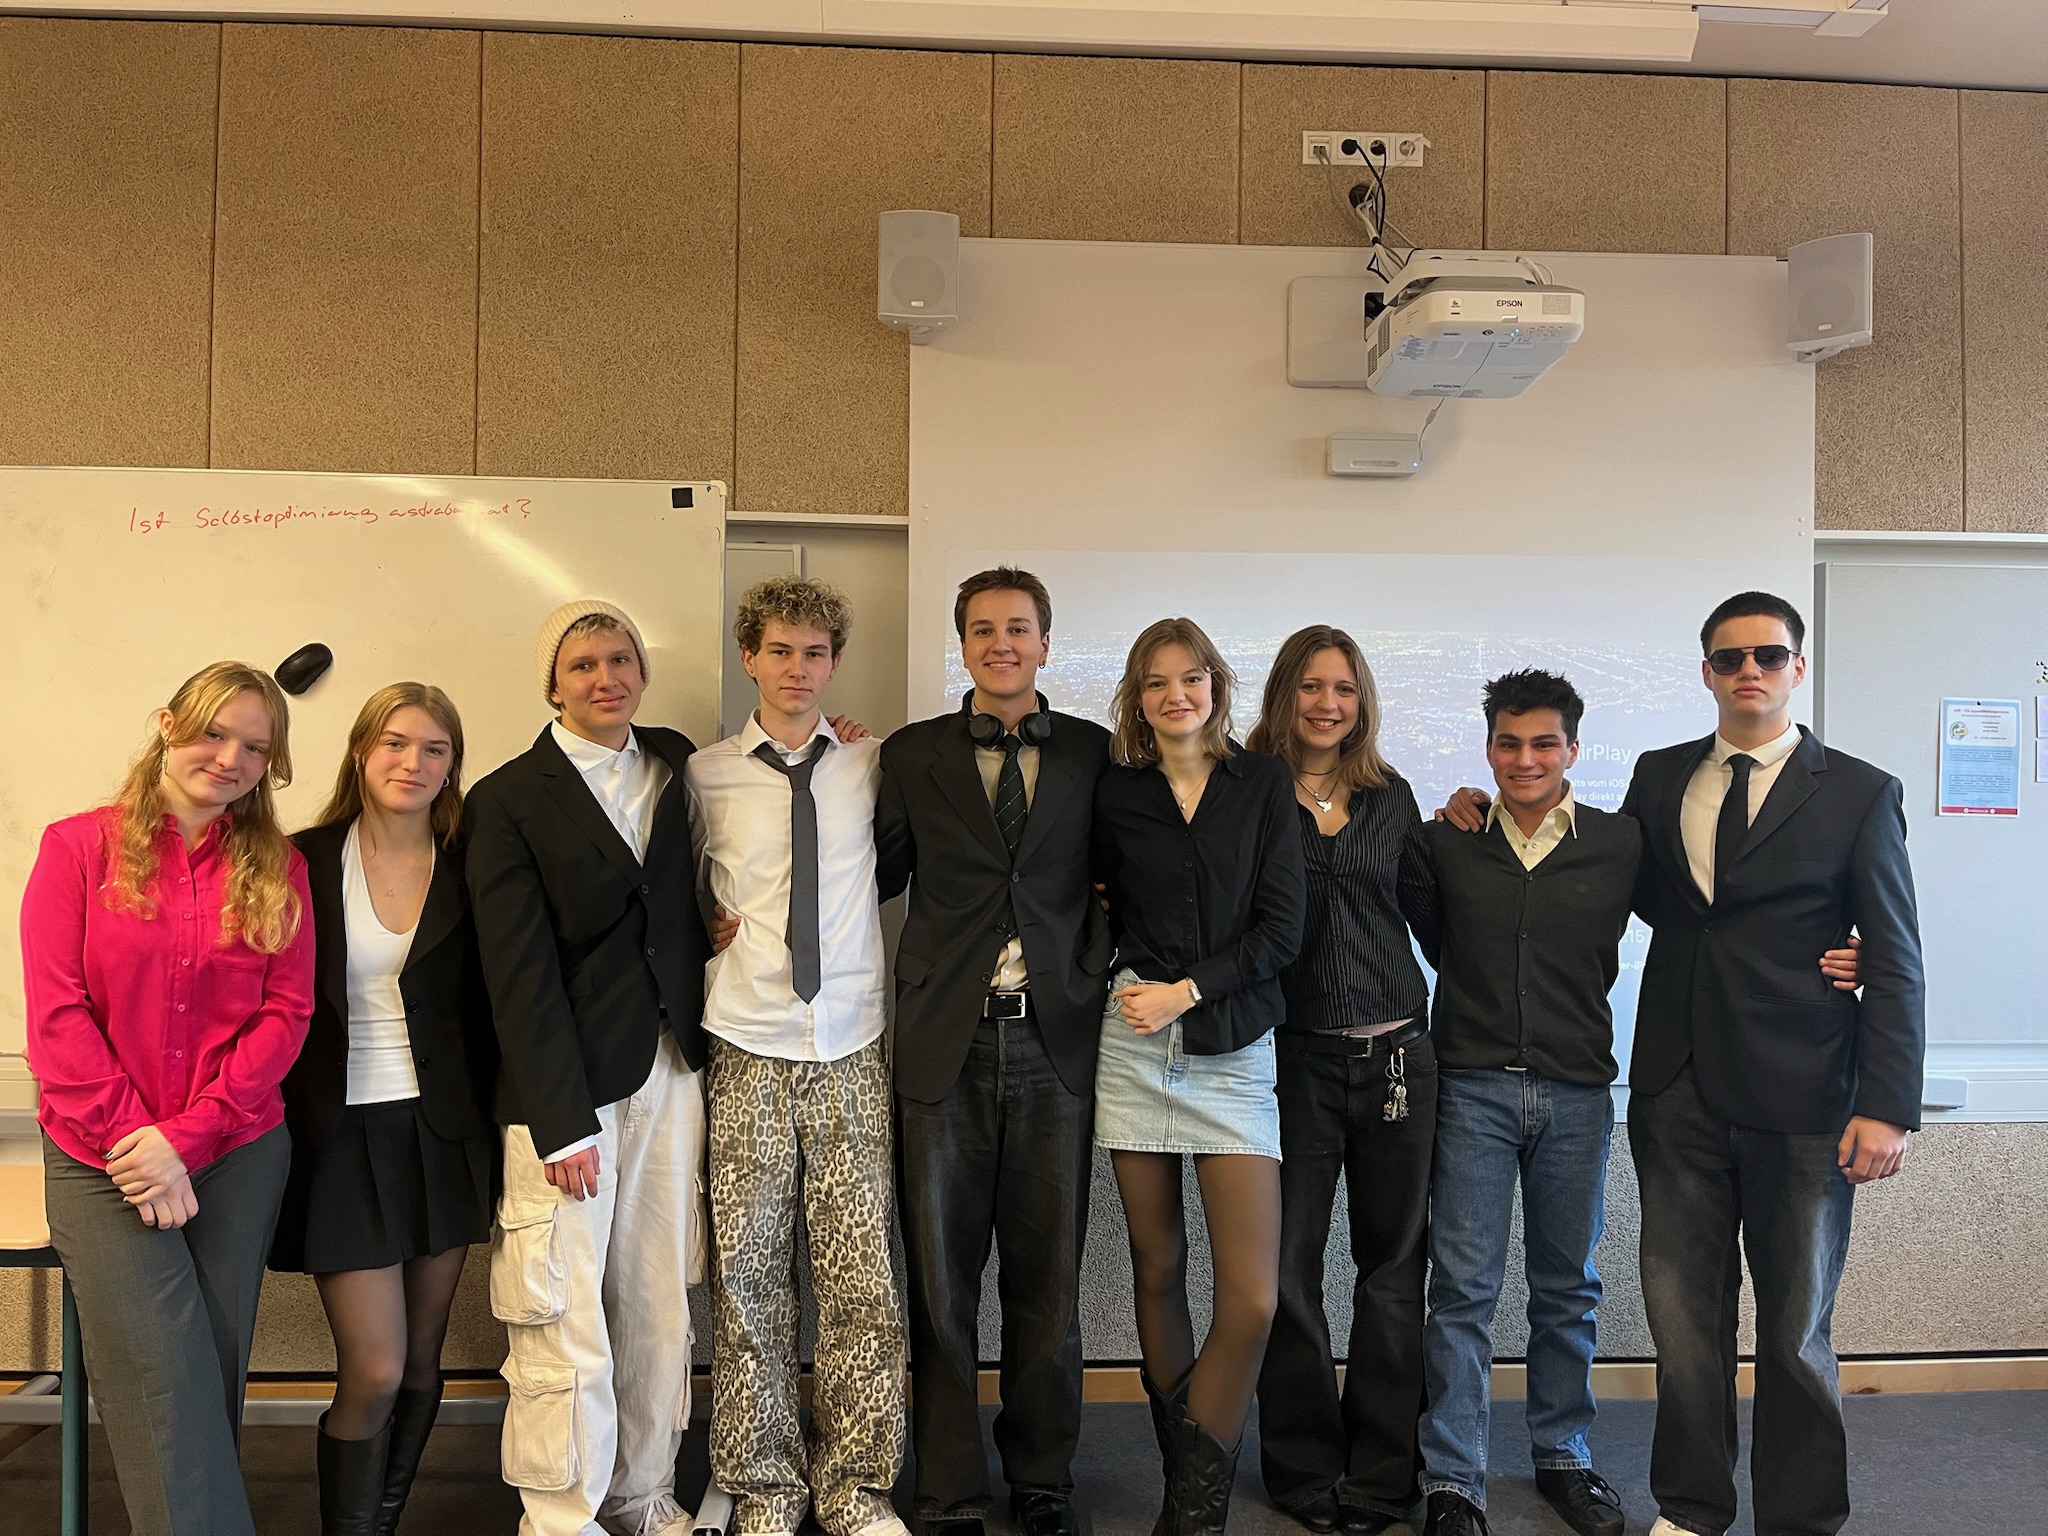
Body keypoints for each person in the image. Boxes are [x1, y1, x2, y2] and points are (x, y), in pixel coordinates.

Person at [1429, 658, 1868, 1536]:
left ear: (1573, 750)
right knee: (1463, 1293)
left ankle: (1563, 1458)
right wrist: (1451, 807)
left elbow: (1722, 913)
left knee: (1568, 1290)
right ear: (1487, 749)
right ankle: (1452, 1480)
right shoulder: (1444, 841)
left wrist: (1847, 950)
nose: (1525, 760)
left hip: (1579, 1090)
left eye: (1544, 744)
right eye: (1508, 744)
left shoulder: (1621, 842)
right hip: (1472, 1088)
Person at [1621, 592, 1923, 1536]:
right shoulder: (1659, 775)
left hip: (1805, 1093)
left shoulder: (1860, 791)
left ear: (1798, 666)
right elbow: (1620, 888)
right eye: (1729, 657)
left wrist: (1889, 1104)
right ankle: (1691, 1508)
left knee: (1794, 1332)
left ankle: (1800, 1520)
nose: (1748, 670)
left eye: (1767, 654)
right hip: (1675, 1086)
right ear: (1706, 672)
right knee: (1683, 1328)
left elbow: (1896, 954)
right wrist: (1485, 817)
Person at [21, 661, 314, 1536]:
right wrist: (138, 1142)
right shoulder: (77, 848)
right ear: (166, 724)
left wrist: (186, 1139)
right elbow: (57, 1015)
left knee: (208, 1372)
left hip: (236, 1150)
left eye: (253, 748)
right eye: (212, 733)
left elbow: (286, 1015)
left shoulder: (281, 868)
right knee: (163, 1375)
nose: (229, 758)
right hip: (100, 1157)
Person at [873, 567, 1113, 1536]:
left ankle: (1044, 1479)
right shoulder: (910, 753)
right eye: (982, 629)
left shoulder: (1096, 753)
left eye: (1018, 628)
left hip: (1054, 1042)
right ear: (962, 644)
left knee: (1047, 1280)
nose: (1000, 644)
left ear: (1045, 644)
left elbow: (1139, 869)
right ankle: (948, 1487)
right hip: (945, 1042)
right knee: (939, 1283)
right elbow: (865, 874)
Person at [465, 600, 711, 1536]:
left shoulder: (679, 763)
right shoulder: (506, 799)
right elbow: (515, 972)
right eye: (582, 665)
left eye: (621, 659)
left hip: (672, 1070)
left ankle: (643, 1494)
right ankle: (563, 1516)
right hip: (564, 1093)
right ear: (552, 685)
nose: (606, 678)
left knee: (656, 1302)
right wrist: (558, 1120)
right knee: (562, 1309)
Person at [686, 576, 908, 1536]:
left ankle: (856, 1487)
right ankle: (764, 1487)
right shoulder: (703, 776)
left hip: (852, 1042)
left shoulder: (870, 765)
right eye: (779, 650)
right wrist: (707, 923)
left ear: (835, 662)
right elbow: (668, 890)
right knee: (748, 1279)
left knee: (863, 1279)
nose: (797, 668)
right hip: (747, 1043)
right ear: (749, 657)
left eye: (814, 652)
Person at [1092, 617, 1306, 1536]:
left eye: (1191, 678)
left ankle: (1190, 1498)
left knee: (1252, 1296)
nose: (1175, 695)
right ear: (1137, 700)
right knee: (1158, 1263)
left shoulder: (1262, 783)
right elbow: (1091, 905)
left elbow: (1282, 930)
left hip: (1231, 1047)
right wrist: (1120, 978)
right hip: (1134, 1041)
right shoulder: (1116, 792)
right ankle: (1196, 1508)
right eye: (1155, 682)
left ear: (1217, 685)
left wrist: (1188, 989)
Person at [271, 683, 499, 1536]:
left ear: (453, 766)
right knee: (373, 1369)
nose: (414, 762)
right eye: (396, 743)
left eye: (435, 749)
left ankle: (381, 1521)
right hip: (338, 1135)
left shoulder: (476, 859)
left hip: (445, 1134)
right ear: (363, 751)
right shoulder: (301, 857)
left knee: (421, 1362)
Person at [1242, 626, 1437, 1536]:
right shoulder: (1244, 791)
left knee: (1392, 1270)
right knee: (1288, 1270)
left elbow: (1435, 915)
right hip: (1292, 1060)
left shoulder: (1392, 796)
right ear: (1285, 694)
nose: (1329, 704)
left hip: (1399, 1058)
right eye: (1313, 687)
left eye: (1345, 689)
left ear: (1363, 702)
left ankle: (1385, 1472)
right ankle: (1303, 1467)